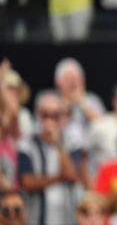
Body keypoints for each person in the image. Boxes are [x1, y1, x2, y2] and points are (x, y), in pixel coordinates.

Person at [17, 91, 78, 225]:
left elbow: (72, 175)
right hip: (36, 218)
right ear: (37, 115)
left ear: (63, 117)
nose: (49, 121)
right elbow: (27, 182)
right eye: (45, 115)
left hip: (66, 218)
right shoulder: (26, 144)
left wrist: (58, 144)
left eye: (55, 116)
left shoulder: (72, 142)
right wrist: (59, 177)